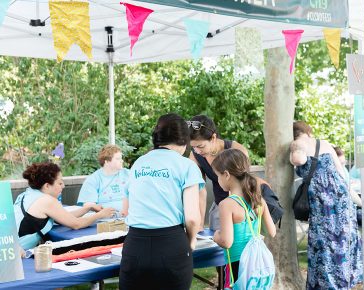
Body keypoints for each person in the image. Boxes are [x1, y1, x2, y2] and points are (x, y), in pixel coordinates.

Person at [290, 121, 364, 290]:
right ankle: (362, 280)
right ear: (308, 131)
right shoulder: (324, 143)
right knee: (347, 239)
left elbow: (298, 158)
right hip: (342, 198)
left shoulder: (297, 143)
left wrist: (292, 151)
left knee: (325, 242)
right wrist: (359, 201)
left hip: (325, 203)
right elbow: (341, 174)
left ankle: (330, 284)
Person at [119, 113, 203, 290]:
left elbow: (125, 208)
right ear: (185, 140)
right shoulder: (187, 166)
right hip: (171, 245)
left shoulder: (138, 163)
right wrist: (191, 240)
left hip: (135, 245)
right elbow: (193, 218)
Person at [14, 162, 115, 250]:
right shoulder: (46, 201)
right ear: (47, 186)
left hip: (11, 248)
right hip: (18, 253)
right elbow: (76, 224)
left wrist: (88, 208)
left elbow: (63, 216)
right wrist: (100, 215)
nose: (63, 186)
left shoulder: (28, 194)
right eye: (60, 183)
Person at [212, 149, 276, 287]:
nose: (217, 180)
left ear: (227, 175)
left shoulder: (227, 204)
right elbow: (272, 232)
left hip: (237, 264)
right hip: (256, 263)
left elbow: (226, 242)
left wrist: (216, 236)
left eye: (218, 176)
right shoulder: (258, 200)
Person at [188, 114, 249, 230]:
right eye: (193, 147)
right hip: (219, 207)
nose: (197, 151)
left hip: (242, 207)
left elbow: (245, 184)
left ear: (213, 137)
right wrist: (199, 224)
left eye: (200, 146)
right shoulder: (195, 155)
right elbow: (199, 190)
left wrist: (236, 211)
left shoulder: (237, 150)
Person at [77, 144, 129, 215]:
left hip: (132, 217)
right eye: (118, 159)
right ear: (106, 161)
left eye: (121, 158)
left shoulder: (128, 174)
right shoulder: (93, 179)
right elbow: (88, 206)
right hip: (107, 219)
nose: (122, 161)